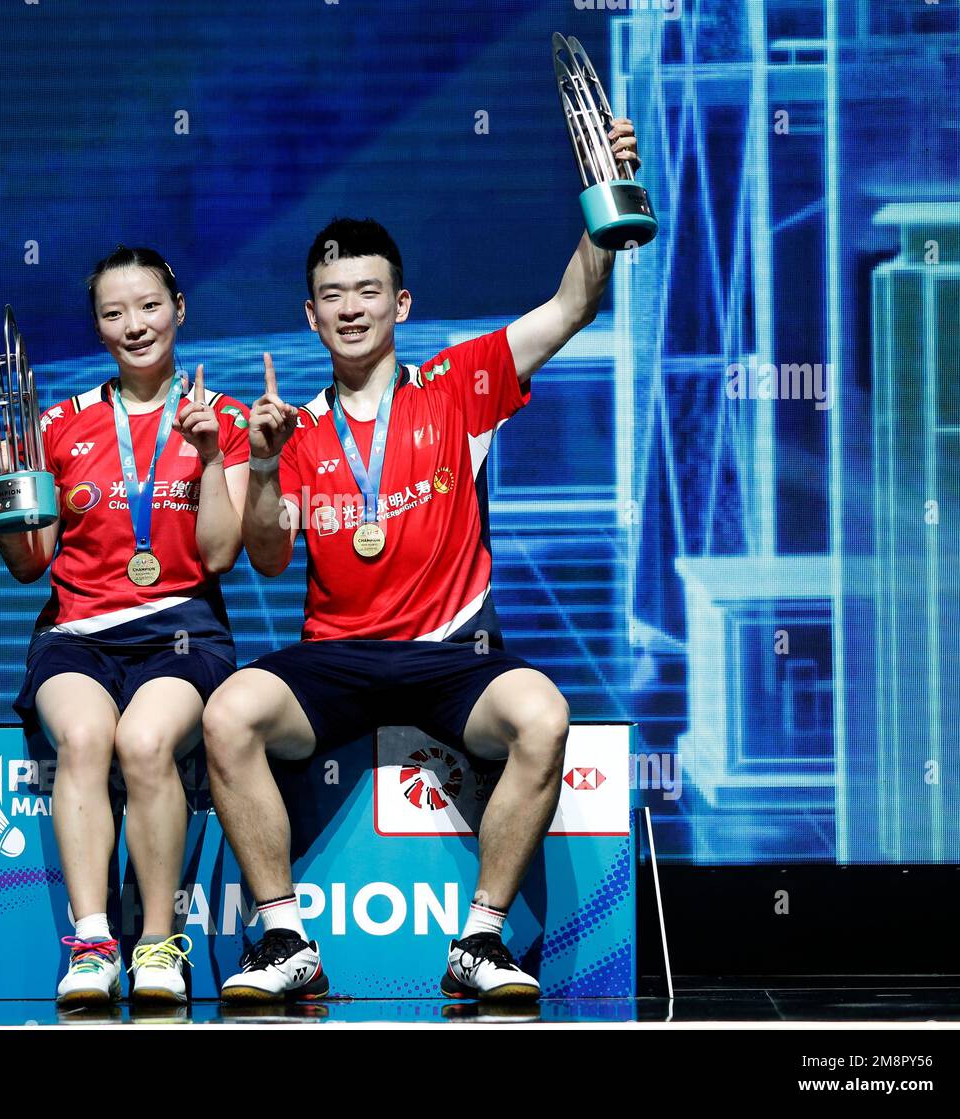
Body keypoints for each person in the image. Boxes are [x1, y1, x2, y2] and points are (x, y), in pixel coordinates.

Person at [202, 124, 641, 1002]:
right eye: (334, 294)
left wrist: (609, 191)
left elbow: (572, 305)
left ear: (401, 304)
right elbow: (264, 556)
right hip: (335, 656)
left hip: (454, 655)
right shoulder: (291, 428)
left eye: (370, 290)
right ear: (311, 315)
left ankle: (481, 941)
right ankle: (283, 938)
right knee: (228, 714)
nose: (352, 306)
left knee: (544, 715)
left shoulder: (460, 385)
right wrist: (256, 461)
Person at [0, 246, 251, 1005]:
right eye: (114, 312)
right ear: (97, 327)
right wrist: (1, 493)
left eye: (150, 306)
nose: (135, 325)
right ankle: (93, 944)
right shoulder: (59, 425)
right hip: (78, 634)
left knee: (146, 741)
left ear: (179, 309)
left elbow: (220, 553)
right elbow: (32, 564)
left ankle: (159, 945)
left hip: (183, 629)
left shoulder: (222, 418)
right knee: (87, 739)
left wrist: (214, 455)